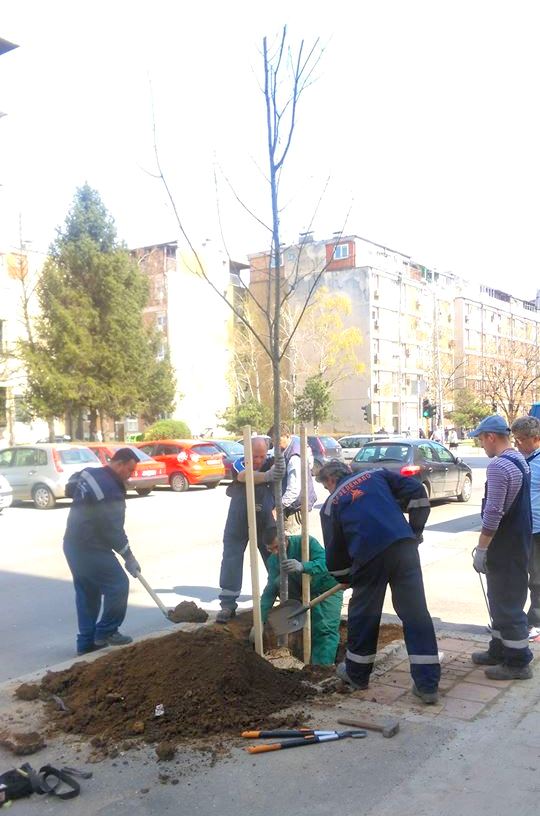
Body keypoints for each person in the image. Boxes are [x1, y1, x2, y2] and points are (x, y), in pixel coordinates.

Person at [317, 459, 440, 704]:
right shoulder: (378, 474)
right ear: (348, 470)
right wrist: (414, 532)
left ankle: (357, 675)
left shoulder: (331, 505)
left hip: (368, 558)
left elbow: (335, 553)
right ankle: (427, 685)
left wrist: (346, 578)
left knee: (364, 615)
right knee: (416, 614)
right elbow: (418, 492)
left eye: (326, 486)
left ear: (330, 480)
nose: (328, 490)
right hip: (404, 548)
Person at [469, 415, 533, 680]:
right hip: (518, 542)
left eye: (481, 439)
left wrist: (482, 548)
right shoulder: (520, 460)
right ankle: (498, 649)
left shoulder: (498, 466)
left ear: (491, 437)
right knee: (501, 598)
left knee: (507, 603)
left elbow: (494, 513)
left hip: (504, 545)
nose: (481, 445)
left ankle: (518, 662)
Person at [63, 448, 142, 656]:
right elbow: (113, 531)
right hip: (91, 547)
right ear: (119, 464)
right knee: (119, 585)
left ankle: (86, 643)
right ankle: (107, 631)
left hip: (72, 544)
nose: (130, 475)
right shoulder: (111, 491)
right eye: (130, 470)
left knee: (88, 592)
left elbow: (70, 487)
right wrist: (129, 557)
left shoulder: (90, 473)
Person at [216, 437, 285, 623]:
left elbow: (281, 470)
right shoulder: (239, 463)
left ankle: (284, 595)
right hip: (238, 519)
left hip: (265, 520)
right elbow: (244, 476)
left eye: (262, 456)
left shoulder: (271, 462)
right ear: (247, 453)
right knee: (231, 558)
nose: (258, 461)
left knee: (274, 557)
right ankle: (228, 604)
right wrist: (268, 476)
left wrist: (280, 466)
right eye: (255, 456)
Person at [259, 534, 344, 665]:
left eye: (277, 547)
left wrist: (304, 566)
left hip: (327, 588)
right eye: (270, 549)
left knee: (324, 629)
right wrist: (260, 619)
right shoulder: (273, 560)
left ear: (286, 539)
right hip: (303, 593)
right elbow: (270, 591)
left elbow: (326, 563)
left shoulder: (307, 542)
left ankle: (321, 668)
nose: (275, 552)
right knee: (277, 581)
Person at [511, 416, 540, 642]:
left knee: (537, 578)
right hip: (522, 529)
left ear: (536, 438)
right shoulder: (523, 459)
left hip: (537, 530)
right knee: (518, 576)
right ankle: (515, 621)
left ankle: (536, 624)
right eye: (515, 439)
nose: (517, 444)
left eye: (521, 440)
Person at [266, 423, 317, 534]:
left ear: (287, 436)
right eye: (273, 441)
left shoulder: (294, 457)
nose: (274, 444)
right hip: (292, 506)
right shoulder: (289, 449)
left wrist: (277, 509)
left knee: (290, 539)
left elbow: (293, 490)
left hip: (294, 508)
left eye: (277, 440)